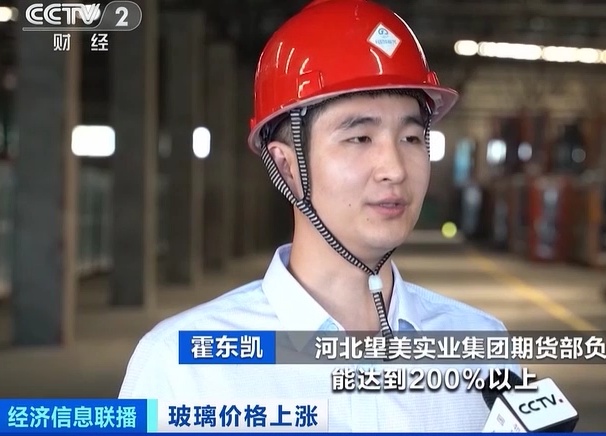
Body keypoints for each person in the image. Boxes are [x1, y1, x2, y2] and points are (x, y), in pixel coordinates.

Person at [118, 0, 520, 432]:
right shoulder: (183, 369)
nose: (395, 169)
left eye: (411, 137)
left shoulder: (482, 349)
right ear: (286, 165)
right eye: (360, 137)